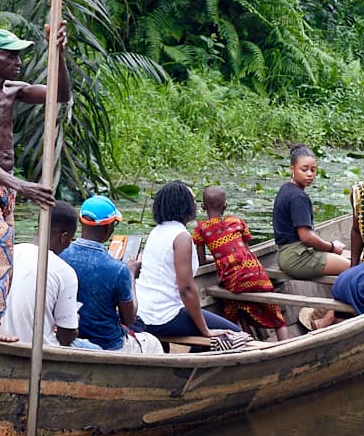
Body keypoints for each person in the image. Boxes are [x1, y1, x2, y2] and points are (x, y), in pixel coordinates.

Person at [0, 25, 71, 335]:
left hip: (5, 184)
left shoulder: (13, 89)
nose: (18, 62)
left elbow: (60, 95)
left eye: (19, 56)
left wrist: (57, 53)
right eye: (11, 56)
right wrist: (24, 187)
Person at [136, 180, 246, 345]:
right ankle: (195, 366)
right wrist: (205, 331)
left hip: (143, 313)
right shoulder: (181, 237)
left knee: (208, 327)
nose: (196, 205)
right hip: (163, 317)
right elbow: (186, 290)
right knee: (235, 334)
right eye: (193, 200)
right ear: (182, 205)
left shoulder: (156, 231)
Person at [192, 185, 288, 338]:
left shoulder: (200, 229)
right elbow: (246, 250)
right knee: (278, 319)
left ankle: (246, 338)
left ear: (203, 206)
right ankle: (285, 344)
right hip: (256, 273)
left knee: (233, 305)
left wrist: (219, 259)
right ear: (225, 205)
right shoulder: (237, 221)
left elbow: (202, 261)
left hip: (233, 279)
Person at [63, 196, 144, 351]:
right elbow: (129, 319)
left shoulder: (61, 254)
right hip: (109, 345)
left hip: (70, 339)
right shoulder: (119, 269)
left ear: (81, 222)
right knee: (154, 344)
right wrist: (131, 274)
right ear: (109, 229)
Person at [0, 202, 81, 347]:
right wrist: (74, 323)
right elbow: (66, 337)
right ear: (64, 236)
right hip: (38, 350)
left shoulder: (8, 253)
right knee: (96, 347)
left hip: (0, 341)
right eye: (71, 239)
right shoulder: (64, 271)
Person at [272, 145, 350, 281]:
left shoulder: (285, 188)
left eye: (313, 170)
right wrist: (332, 247)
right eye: (304, 169)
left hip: (284, 255)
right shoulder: (298, 197)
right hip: (297, 258)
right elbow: (306, 237)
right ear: (292, 169)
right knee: (354, 267)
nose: (309, 174)